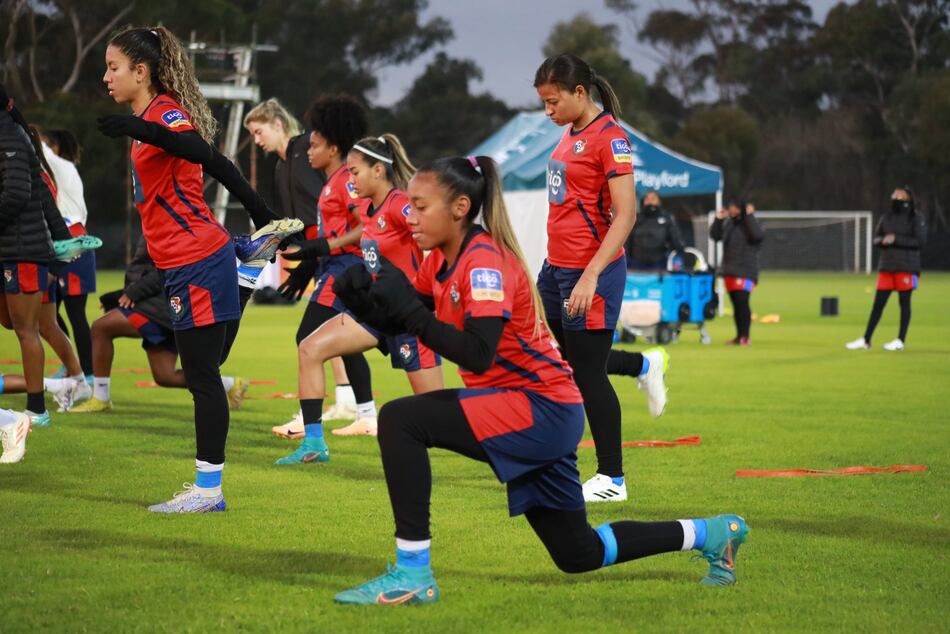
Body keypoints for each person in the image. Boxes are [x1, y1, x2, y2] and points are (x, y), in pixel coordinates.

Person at [330, 155, 750, 605]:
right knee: (577, 552)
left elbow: (476, 350)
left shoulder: (483, 261)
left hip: (539, 408)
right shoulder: (441, 261)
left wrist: (408, 312)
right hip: (536, 408)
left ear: (459, 207)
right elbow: (400, 320)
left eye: (419, 206)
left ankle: (412, 574)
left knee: (400, 420)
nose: (409, 216)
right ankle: (710, 533)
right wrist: (363, 300)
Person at [97, 25, 301, 512]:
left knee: (203, 375)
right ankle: (248, 269)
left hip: (194, 257)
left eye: (113, 67)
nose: (107, 77)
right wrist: (259, 211)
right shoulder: (150, 116)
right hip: (189, 260)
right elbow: (224, 166)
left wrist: (142, 128)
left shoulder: (162, 112)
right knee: (206, 366)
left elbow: (201, 153)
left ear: (140, 72)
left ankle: (208, 492)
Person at [533, 53, 666, 504]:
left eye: (553, 102)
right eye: (543, 104)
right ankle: (644, 365)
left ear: (579, 93)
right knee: (571, 363)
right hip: (556, 269)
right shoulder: (567, 135)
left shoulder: (611, 138)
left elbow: (625, 215)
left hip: (593, 272)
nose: (548, 112)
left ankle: (613, 478)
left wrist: (589, 276)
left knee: (587, 373)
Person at [278, 133, 442, 450]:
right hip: (375, 313)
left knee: (438, 415)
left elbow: (438, 237)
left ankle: (509, 445)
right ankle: (313, 446)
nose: (349, 178)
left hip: (408, 317)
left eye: (354, 172)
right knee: (310, 347)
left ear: (378, 171)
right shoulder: (367, 210)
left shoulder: (399, 206)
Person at [269, 93, 379, 464]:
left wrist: (323, 246)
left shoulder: (346, 182)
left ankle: (314, 434)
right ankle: (356, 417)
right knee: (321, 344)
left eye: (314, 145)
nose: (308, 151)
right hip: (334, 270)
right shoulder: (332, 182)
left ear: (333, 148)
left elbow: (367, 228)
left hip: (345, 272)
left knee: (310, 342)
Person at [243, 98, 358, 431]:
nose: (257, 139)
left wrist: (319, 247)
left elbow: (330, 208)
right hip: (319, 255)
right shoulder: (282, 165)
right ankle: (356, 407)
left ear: (278, 124)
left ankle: (317, 424)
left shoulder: (306, 151)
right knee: (337, 333)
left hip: (334, 255)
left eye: (259, 130)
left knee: (316, 335)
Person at [69, 237, 248, 412]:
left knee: (101, 328)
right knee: (165, 376)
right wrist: (121, 295)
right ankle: (230, 384)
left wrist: (134, 292)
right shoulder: (158, 219)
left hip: (160, 307)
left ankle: (100, 397)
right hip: (162, 305)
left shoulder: (165, 222)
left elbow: (168, 267)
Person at [0, 84, 83, 430]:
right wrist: (61, 241)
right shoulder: (15, 135)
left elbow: (18, 193)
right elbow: (43, 196)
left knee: (27, 329)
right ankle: (68, 383)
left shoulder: (8, 135)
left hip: (21, 251)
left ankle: (37, 407)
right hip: (18, 249)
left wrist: (61, 244)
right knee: (20, 324)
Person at [40, 129, 96, 381]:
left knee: (76, 314)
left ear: (55, 149)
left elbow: (37, 151)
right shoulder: (56, 172)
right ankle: (70, 364)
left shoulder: (61, 166)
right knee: (49, 314)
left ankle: (90, 375)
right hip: (59, 243)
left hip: (73, 243)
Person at [846, 187, 926, 351]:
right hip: (887, 267)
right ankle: (866, 339)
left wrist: (896, 239)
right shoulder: (886, 217)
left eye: (901, 195)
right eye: (895, 194)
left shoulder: (916, 218)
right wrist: (883, 240)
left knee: (904, 304)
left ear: (909, 198)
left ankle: (900, 341)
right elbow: (876, 238)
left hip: (907, 267)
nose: (897, 197)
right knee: (877, 305)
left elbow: (919, 242)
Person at [710, 201, 764, 346]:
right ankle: (739, 336)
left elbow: (758, 236)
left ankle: (745, 336)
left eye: (734, 207)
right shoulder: (729, 224)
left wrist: (750, 216)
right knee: (736, 304)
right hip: (730, 270)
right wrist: (718, 219)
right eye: (730, 207)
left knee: (742, 302)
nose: (732, 210)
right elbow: (715, 236)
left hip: (746, 270)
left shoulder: (749, 223)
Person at [625, 191, 685, 270]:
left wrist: (678, 259)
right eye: (647, 199)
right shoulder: (636, 219)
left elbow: (677, 241)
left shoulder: (667, 219)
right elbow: (627, 242)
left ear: (659, 202)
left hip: (660, 265)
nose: (650, 201)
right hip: (636, 265)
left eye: (653, 198)